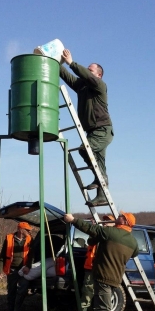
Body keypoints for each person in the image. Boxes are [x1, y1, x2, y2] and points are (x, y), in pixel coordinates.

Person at [64, 212, 139, 311]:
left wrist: (73, 220)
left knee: (104, 310)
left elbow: (91, 229)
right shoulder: (133, 241)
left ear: (125, 222)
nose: (118, 216)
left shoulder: (111, 232)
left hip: (104, 275)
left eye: (121, 216)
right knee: (99, 306)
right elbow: (135, 253)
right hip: (115, 276)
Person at [60, 49, 113, 206]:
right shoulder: (82, 87)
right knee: (98, 163)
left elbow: (85, 75)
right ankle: (102, 195)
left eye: (90, 70)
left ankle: (100, 179)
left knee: (85, 150)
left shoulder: (100, 86)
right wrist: (55, 62)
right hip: (92, 131)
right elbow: (67, 76)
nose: (87, 73)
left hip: (103, 129)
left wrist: (72, 63)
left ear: (98, 75)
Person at [76, 214, 115, 311]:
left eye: (108, 221)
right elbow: (90, 242)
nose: (105, 222)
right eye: (105, 220)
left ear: (114, 224)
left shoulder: (113, 236)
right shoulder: (99, 232)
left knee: (103, 297)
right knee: (87, 294)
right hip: (91, 268)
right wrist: (93, 229)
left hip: (105, 270)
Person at [0, 222, 34, 311]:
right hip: (12, 269)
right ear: (20, 229)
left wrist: (28, 266)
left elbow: (32, 255)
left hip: (24, 270)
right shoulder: (9, 238)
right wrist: (0, 269)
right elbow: (2, 255)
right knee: (11, 290)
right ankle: (10, 310)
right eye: (27, 230)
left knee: (23, 290)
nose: (29, 232)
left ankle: (17, 310)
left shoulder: (30, 239)